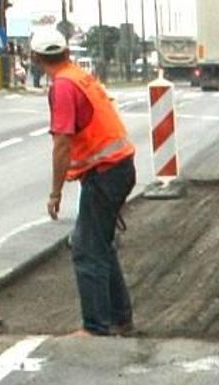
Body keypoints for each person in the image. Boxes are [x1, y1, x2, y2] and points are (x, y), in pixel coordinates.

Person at [31, 27, 137, 338]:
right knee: (100, 245)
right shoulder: (78, 75)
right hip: (117, 168)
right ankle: (120, 319)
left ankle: (96, 327)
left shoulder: (63, 86)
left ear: (36, 58)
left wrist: (55, 191)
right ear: (65, 52)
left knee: (86, 248)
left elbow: (62, 143)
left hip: (107, 172)